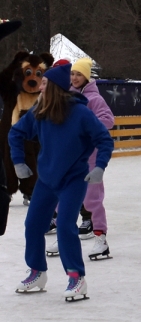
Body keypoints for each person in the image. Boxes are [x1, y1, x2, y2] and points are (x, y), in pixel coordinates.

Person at [9, 63, 114, 301]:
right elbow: (15, 132)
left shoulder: (80, 113)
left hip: (74, 179)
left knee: (66, 225)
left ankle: (76, 278)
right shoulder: (40, 111)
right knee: (33, 225)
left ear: (55, 87)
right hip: (47, 179)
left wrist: (99, 166)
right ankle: (37, 272)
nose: (40, 86)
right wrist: (18, 162)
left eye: (44, 83)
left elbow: (104, 140)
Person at [45, 58, 116, 260]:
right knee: (62, 200)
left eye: (79, 74)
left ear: (86, 77)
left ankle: (100, 240)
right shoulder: (64, 96)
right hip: (67, 159)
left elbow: (108, 120)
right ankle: (63, 236)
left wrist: (85, 127)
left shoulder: (95, 99)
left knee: (92, 200)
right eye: (72, 74)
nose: (75, 78)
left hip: (89, 159)